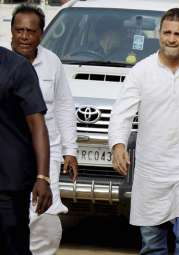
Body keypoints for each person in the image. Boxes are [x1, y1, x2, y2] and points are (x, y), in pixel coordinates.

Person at [109, 8, 179, 254]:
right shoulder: (142, 71)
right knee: (152, 245)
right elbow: (122, 112)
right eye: (167, 32)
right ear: (159, 34)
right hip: (152, 172)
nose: (171, 39)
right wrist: (118, 145)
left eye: (178, 34)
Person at [11, 4, 78, 255]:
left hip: (46, 155)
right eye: (19, 30)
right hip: (9, 155)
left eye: (31, 31)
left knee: (45, 216)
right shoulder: (3, 63)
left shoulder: (52, 63)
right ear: (11, 32)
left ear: (41, 34)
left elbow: (63, 107)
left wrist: (70, 150)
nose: (24, 36)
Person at [0, 34, 52, 255]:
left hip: (8, 184)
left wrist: (42, 177)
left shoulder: (15, 67)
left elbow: (37, 124)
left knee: (12, 244)